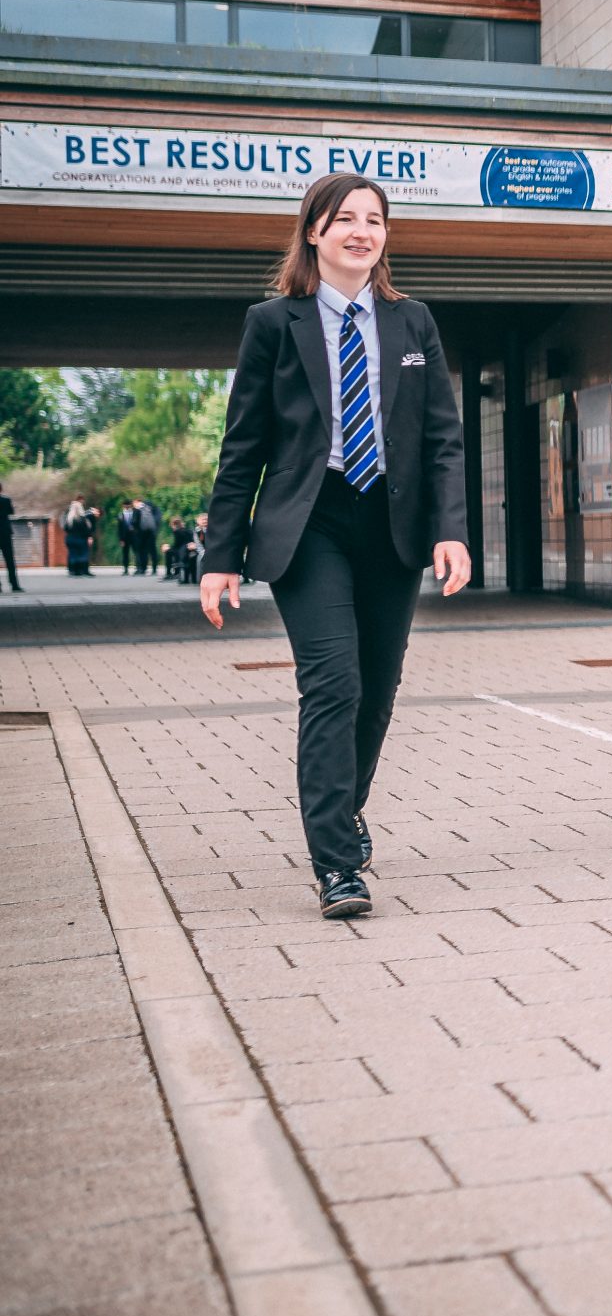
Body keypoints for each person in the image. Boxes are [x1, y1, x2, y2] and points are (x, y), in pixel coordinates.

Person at [201, 172, 472, 920]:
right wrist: (220, 556)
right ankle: (336, 864)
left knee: (377, 690)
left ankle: (344, 808)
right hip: (309, 522)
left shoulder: (413, 322)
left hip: (391, 523)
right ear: (314, 232)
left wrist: (451, 530)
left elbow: (443, 439)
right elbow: (243, 445)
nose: (361, 231)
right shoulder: (272, 322)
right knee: (334, 685)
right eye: (345, 218)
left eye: (374, 220)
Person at [63, 501, 94, 576]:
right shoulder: (83, 519)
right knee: (83, 554)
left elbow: (66, 529)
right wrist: (89, 537)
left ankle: (73, 571)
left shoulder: (69, 519)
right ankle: (82, 570)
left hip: (70, 539)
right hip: (81, 539)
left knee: (73, 554)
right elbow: (87, 530)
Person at [0, 481, 19, 592]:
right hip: (5, 532)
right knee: (9, 559)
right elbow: (11, 512)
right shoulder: (6, 500)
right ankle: (14, 585)